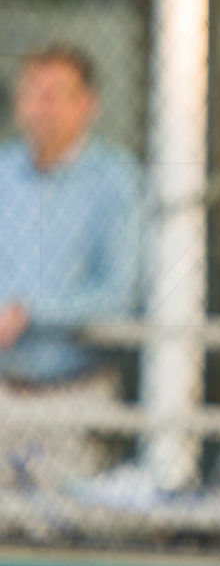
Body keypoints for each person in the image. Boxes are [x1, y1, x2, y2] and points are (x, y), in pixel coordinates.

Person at [0, 44, 142, 493]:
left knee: (61, 534)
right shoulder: (3, 173)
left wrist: (28, 312)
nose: (40, 107)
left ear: (87, 105)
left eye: (54, 94)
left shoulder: (116, 181)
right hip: (4, 389)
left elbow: (119, 294)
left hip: (75, 395)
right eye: (31, 93)